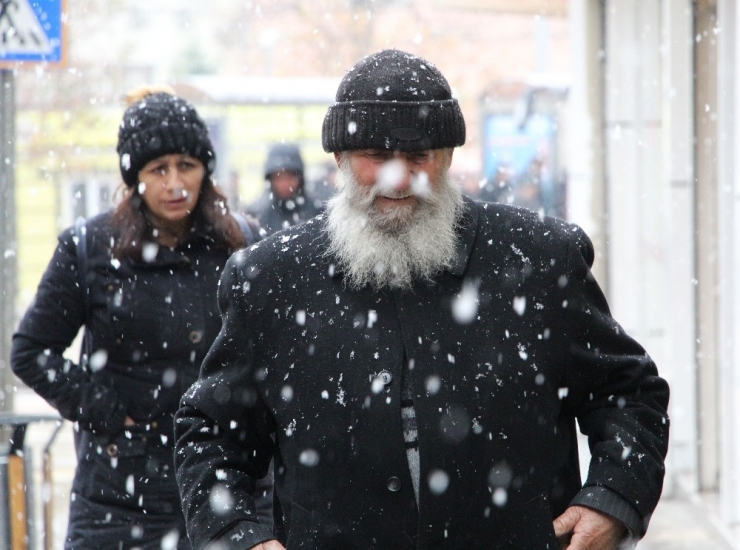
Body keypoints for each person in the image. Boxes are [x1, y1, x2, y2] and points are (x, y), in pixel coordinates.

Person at [174, 49, 669, 550]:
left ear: (449, 157)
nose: (398, 176)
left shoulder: (539, 261)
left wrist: (612, 497)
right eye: (378, 156)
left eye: (418, 157)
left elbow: (628, 393)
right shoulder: (272, 280)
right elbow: (211, 434)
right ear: (340, 160)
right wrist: (238, 535)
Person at [10, 86, 271, 549]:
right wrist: (106, 411)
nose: (174, 184)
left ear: (205, 170)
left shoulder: (243, 244)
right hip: (116, 496)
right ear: (135, 177)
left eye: (187, 166)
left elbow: (273, 353)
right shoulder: (88, 249)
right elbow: (31, 352)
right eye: (158, 169)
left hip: (226, 486)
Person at [244, 142, 322, 235]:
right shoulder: (256, 215)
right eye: (278, 178)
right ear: (270, 180)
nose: (285, 184)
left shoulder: (318, 212)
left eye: (290, 177)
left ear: (300, 178)